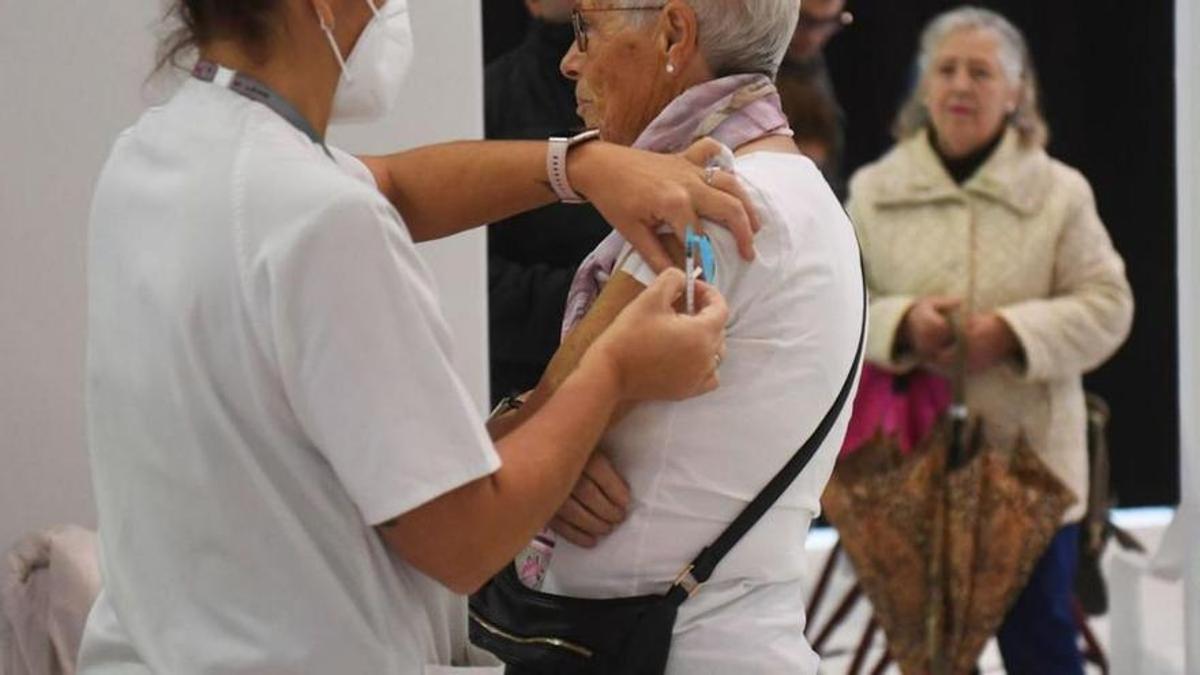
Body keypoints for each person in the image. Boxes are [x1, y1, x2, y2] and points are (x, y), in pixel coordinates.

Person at [76, 0, 761, 672]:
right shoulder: (320, 223)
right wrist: (613, 372)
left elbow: (396, 184)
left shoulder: (155, 152)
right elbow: (464, 539)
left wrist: (578, 167)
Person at [491, 1, 864, 672]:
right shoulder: (797, 188)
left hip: (661, 646)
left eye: (587, 29)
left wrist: (540, 441)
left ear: (673, 32)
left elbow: (517, 460)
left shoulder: (709, 202)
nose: (570, 59)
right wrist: (555, 450)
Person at [845, 7, 1134, 673]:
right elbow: (837, 309)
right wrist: (901, 322)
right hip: (904, 473)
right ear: (923, 87)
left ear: (1015, 91)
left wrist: (1011, 332)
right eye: (946, 69)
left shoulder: (1061, 193)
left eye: (982, 71)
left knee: (1041, 647)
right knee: (928, 656)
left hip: (1028, 475)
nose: (961, 85)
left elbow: (1111, 305)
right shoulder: (872, 192)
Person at [485, 0, 612, 405]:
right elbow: (470, 278)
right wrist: (600, 298)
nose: (572, 63)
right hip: (533, 385)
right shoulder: (492, 99)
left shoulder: (660, 88)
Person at [776, 0, 853, 193]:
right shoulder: (738, 63)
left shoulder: (813, 64)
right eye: (803, 19)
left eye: (830, 22)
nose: (814, 36)